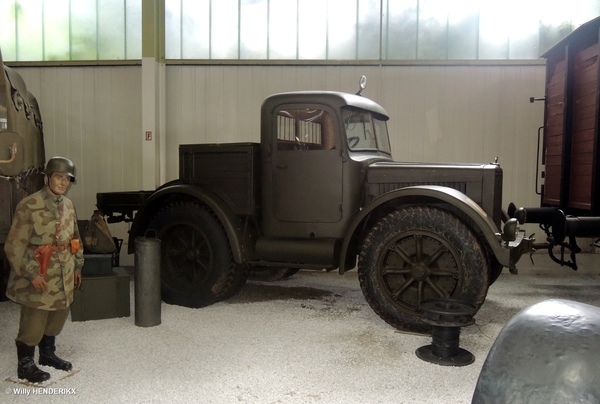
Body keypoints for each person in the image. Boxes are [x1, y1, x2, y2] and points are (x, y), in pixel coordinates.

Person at [4, 156, 84, 383]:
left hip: (64, 272)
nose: (63, 182)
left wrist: (77, 266)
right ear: (47, 177)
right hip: (39, 272)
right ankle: (25, 364)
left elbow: (75, 239)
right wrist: (31, 274)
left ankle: (48, 355)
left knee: (57, 316)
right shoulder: (29, 205)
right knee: (34, 321)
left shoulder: (68, 206)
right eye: (59, 177)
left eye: (67, 179)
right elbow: (14, 245)